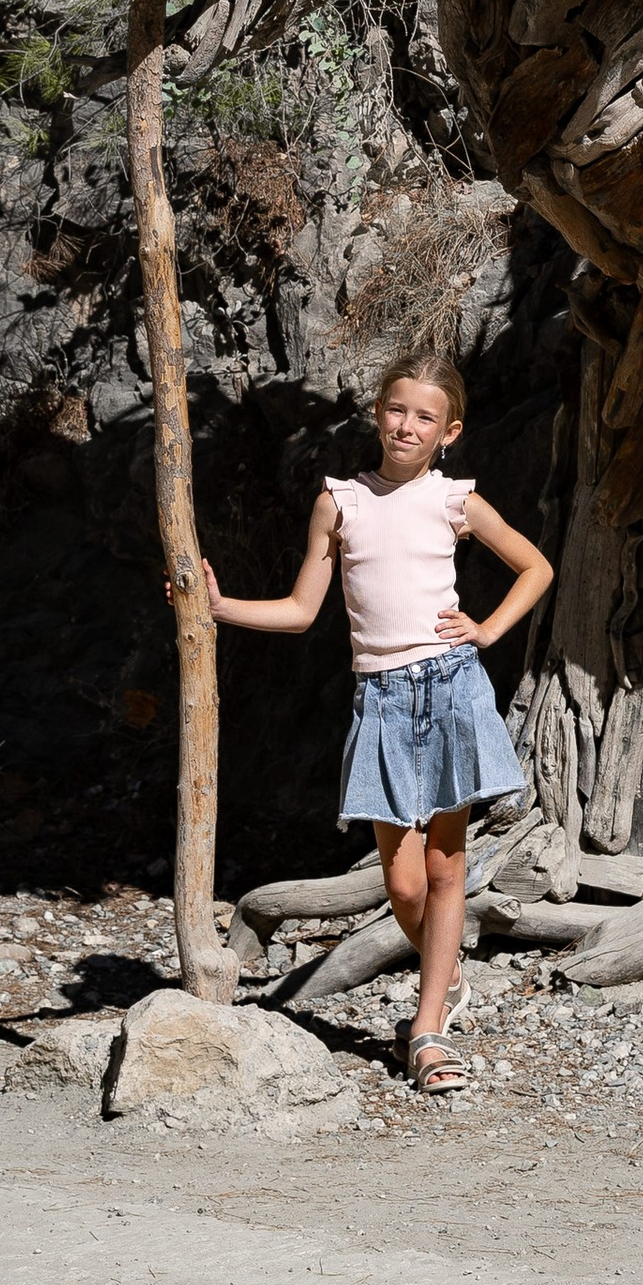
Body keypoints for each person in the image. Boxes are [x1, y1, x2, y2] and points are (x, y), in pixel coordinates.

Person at [189, 350, 554, 1094]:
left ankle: (426, 1032)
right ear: (376, 415)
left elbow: (536, 567)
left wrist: (486, 630)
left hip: (451, 688)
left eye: (425, 416)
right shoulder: (342, 500)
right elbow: (299, 612)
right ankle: (444, 972)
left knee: (447, 867)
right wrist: (219, 610)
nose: (406, 426)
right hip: (382, 699)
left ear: (449, 431)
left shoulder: (457, 501)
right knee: (403, 881)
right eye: (396, 410)